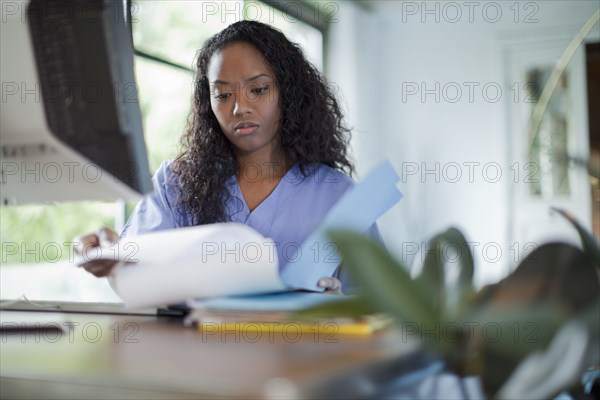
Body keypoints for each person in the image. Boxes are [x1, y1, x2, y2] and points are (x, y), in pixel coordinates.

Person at [75, 20, 381, 293]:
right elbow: (135, 269)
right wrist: (106, 254)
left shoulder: (339, 197)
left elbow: (375, 305)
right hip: (196, 354)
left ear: (288, 94)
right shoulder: (176, 184)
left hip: (302, 355)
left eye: (258, 89)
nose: (239, 108)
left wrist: (335, 308)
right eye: (222, 95)